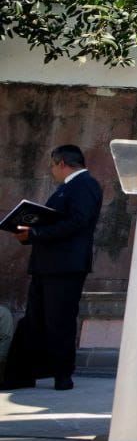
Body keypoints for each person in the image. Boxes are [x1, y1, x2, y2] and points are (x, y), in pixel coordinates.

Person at [2, 145, 103, 391]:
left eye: (52, 165)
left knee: (60, 320)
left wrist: (36, 232)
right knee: (34, 320)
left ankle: (62, 375)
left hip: (65, 267)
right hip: (48, 265)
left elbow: (78, 221)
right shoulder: (67, 188)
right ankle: (22, 374)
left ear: (62, 163)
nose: (51, 171)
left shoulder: (85, 184)